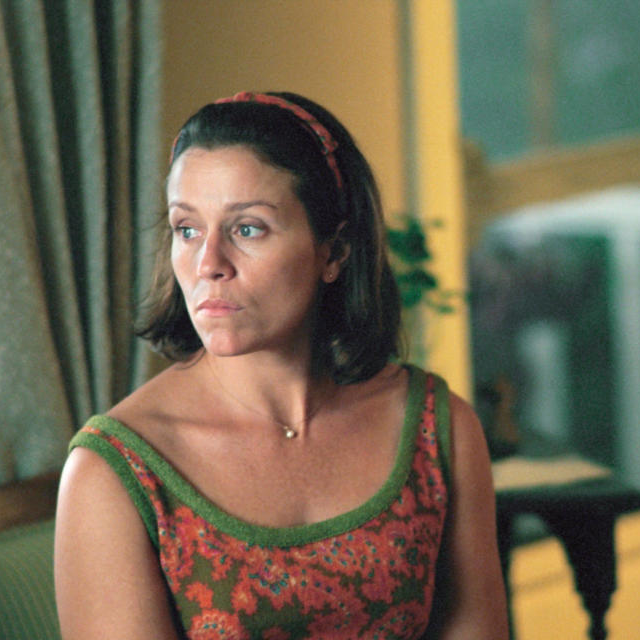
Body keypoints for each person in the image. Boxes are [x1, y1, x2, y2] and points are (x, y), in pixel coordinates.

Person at [54, 91, 509, 639]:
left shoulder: (439, 428)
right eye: (187, 229)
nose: (208, 264)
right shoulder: (115, 471)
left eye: (247, 229)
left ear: (334, 252)